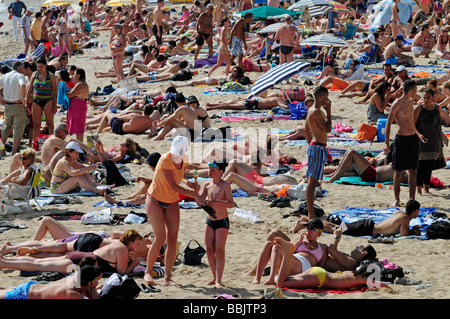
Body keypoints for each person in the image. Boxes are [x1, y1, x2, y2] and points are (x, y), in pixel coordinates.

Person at [144, 136, 206, 287]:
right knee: (160, 238)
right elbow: (173, 186)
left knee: (172, 238)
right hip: (155, 199)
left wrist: (188, 182)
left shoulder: (184, 159)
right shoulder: (165, 159)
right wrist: (195, 195)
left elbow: (181, 174)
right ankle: (148, 271)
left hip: (171, 201)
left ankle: (167, 278)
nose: (176, 154)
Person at [0, 230, 143, 275]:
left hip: (79, 256)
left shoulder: (119, 246)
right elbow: (122, 273)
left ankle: (6, 262)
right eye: (137, 243)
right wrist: (135, 262)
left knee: (38, 262)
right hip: (77, 262)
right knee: (39, 265)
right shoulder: (122, 249)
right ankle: (5, 263)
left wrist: (130, 259)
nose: (138, 246)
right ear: (130, 241)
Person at [274, 237, 388, 290]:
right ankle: (287, 252)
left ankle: (287, 252)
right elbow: (383, 285)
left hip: (319, 273)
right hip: (319, 278)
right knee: (281, 283)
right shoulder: (362, 279)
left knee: (282, 279)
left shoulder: (354, 272)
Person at [384, 80, 426, 207]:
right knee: (398, 171)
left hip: (413, 138)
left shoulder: (411, 101)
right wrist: (386, 142)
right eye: (416, 89)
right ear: (411, 91)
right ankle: (397, 199)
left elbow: (411, 122)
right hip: (401, 140)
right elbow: (388, 123)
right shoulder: (397, 104)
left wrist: (418, 135)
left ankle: (411, 198)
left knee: (413, 170)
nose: (417, 92)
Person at [252, 219, 328, 285]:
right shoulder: (300, 240)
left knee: (276, 247)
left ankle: (271, 279)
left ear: (319, 232)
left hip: (303, 266)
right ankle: (257, 278)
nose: (308, 231)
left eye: (312, 228)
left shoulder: (323, 247)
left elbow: (320, 267)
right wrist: (298, 242)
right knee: (268, 244)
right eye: (307, 228)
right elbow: (288, 250)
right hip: (291, 261)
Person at [198, 161, 234, 288]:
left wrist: (217, 202)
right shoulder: (207, 184)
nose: (210, 171)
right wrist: (197, 194)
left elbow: (231, 204)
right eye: (209, 169)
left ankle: (219, 280)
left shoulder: (225, 185)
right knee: (209, 250)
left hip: (222, 221)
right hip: (210, 221)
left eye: (213, 169)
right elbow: (200, 202)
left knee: (219, 251)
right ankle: (214, 277)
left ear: (220, 172)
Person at [414, 88, 449, 195]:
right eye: (424, 98)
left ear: (433, 98)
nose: (426, 100)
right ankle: (419, 190)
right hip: (421, 141)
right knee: (420, 166)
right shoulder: (419, 108)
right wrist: (418, 135)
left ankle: (426, 189)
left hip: (434, 141)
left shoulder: (437, 108)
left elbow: (446, 118)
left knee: (429, 166)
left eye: (428, 98)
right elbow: (412, 124)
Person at [304, 86, 332, 218]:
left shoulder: (311, 110)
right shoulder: (316, 112)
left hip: (315, 146)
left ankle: (311, 211)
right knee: (312, 181)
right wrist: (329, 111)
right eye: (326, 97)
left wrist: (310, 144)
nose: (327, 100)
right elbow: (328, 129)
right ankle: (310, 213)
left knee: (313, 181)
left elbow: (305, 130)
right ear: (321, 97)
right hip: (317, 147)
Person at [0, 265, 103, 299]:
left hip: (32, 287)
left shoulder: (76, 278)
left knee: (6, 290)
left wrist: (92, 288)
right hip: (25, 295)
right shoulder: (73, 294)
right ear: (90, 283)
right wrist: (93, 288)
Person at [324, 148, 408, 184]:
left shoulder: (404, 169)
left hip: (372, 175)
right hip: (372, 170)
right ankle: (335, 175)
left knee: (351, 152)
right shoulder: (396, 163)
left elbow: (408, 177)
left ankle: (335, 176)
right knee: (349, 151)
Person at [27, 57, 58, 147]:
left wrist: (55, 105)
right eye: (38, 66)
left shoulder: (51, 76)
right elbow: (30, 89)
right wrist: (26, 101)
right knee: (36, 125)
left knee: (50, 124)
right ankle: (36, 144)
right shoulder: (34, 75)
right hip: (36, 101)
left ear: (45, 66)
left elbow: (55, 91)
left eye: (41, 66)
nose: (40, 68)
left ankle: (51, 143)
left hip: (48, 100)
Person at [0, 61, 28, 155]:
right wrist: (22, 99)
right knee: (18, 128)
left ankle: (2, 149)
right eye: (23, 68)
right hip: (17, 105)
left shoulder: (5, 76)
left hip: (8, 105)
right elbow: (23, 86)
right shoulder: (20, 76)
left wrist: (1, 98)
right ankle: (13, 151)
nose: (24, 70)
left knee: (6, 128)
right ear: (19, 68)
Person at [66, 68, 89, 142]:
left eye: (75, 74)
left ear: (78, 76)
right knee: (79, 127)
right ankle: (80, 144)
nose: (73, 76)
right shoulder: (83, 84)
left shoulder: (79, 84)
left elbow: (70, 95)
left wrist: (64, 89)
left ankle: (80, 144)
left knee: (78, 128)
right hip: (81, 106)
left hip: (77, 107)